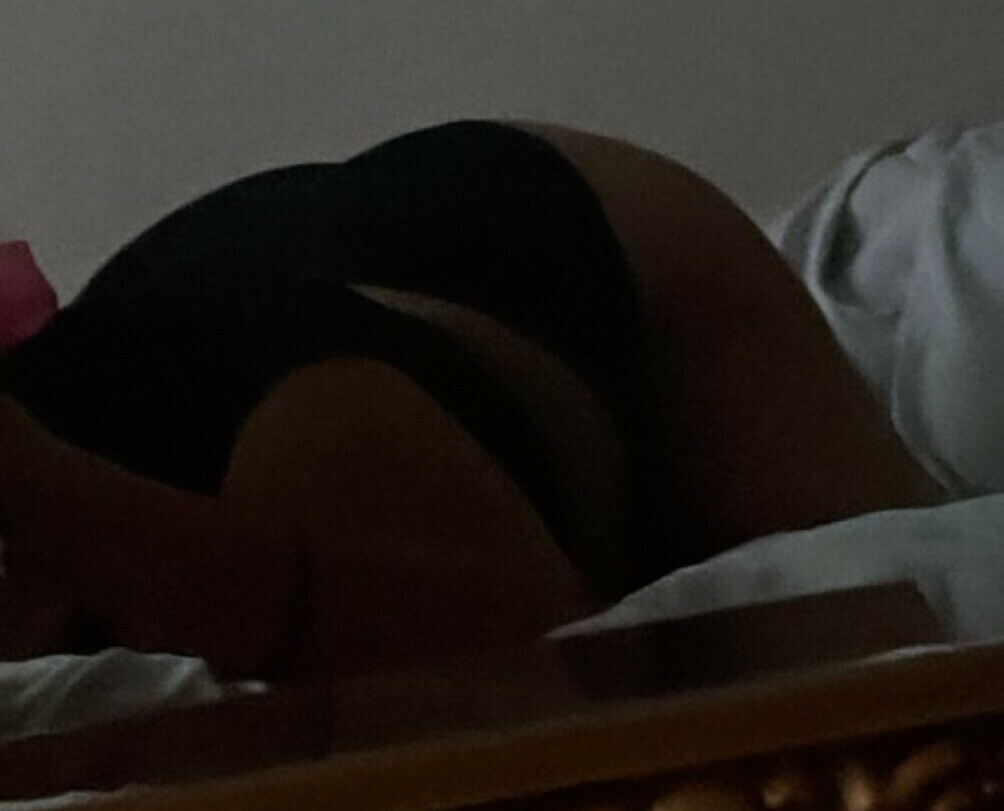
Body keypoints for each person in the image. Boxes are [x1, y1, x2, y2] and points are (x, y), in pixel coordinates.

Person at [0, 121, 942, 683]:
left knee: (888, 652)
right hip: (257, 293)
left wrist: (73, 517)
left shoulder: (315, 437)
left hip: (580, 242)